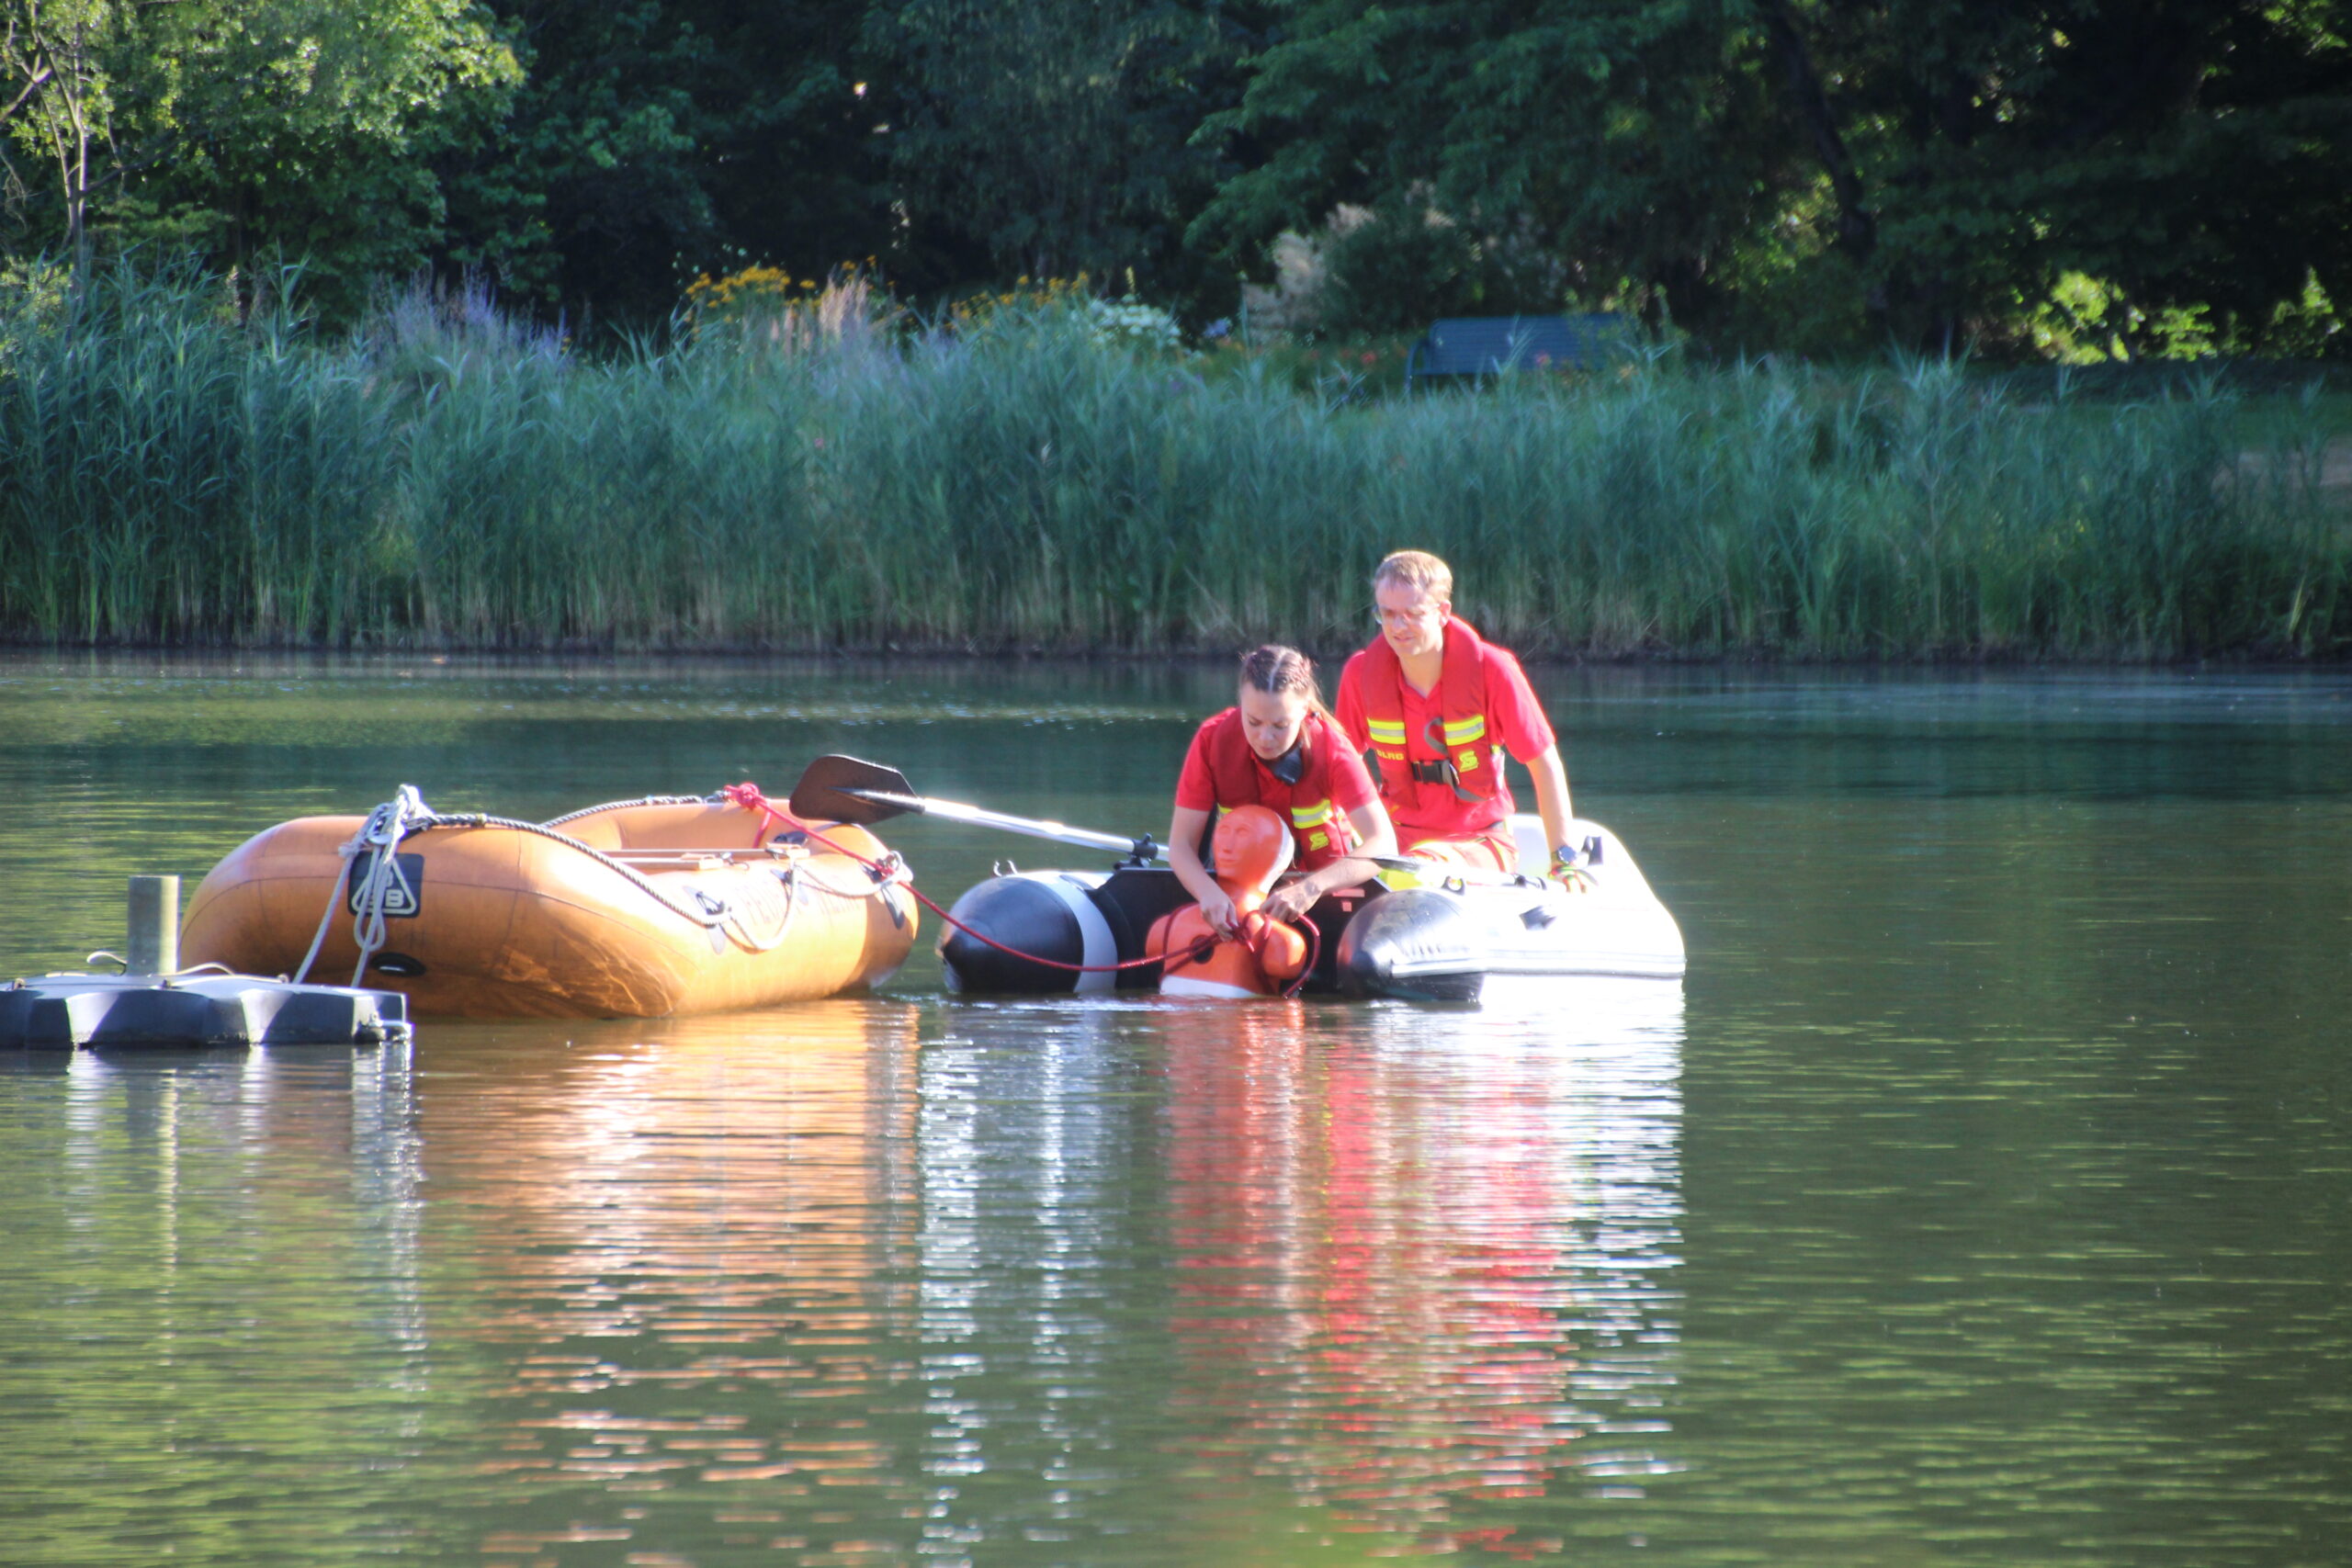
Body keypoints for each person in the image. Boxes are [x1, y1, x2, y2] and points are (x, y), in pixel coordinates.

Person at [1335, 549, 1576, 876]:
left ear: (1443, 612)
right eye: (1387, 614)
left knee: (1417, 871)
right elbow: (1336, 768)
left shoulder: (1493, 669)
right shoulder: (1360, 674)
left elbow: (1545, 764)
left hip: (1480, 842)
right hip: (1393, 841)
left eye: (1412, 613)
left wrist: (1564, 859)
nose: (1398, 627)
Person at [1168, 644, 1398, 934]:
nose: (1265, 738)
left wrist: (1310, 888)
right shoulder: (1211, 741)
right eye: (1253, 721)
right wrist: (1207, 893)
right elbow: (1181, 846)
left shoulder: (1333, 750)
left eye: (1280, 725)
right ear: (1240, 703)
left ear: (1304, 710)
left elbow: (1383, 844)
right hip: (1236, 901)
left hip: (1323, 900)